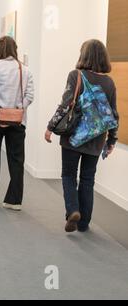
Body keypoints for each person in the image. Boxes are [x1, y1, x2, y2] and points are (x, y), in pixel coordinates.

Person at [45, 39, 119, 233]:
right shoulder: (109, 82)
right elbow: (113, 114)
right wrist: (112, 141)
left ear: (83, 55)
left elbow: (65, 104)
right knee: (88, 179)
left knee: (69, 175)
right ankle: (84, 223)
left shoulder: (75, 75)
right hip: (96, 139)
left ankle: (73, 211)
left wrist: (50, 127)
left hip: (73, 137)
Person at [0, 36, 34, 211]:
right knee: (17, 160)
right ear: (15, 49)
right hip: (18, 120)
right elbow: (30, 95)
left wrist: (1, 112)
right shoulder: (25, 69)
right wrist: (17, 109)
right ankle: (14, 200)